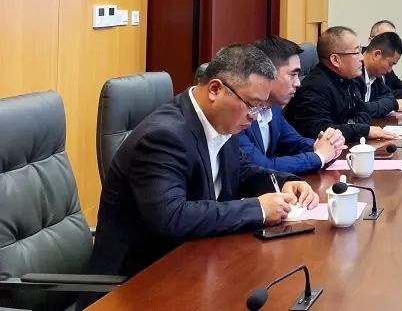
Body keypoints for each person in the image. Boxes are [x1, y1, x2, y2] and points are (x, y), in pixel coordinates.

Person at [89, 44, 318, 277]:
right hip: (142, 277)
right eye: (252, 104)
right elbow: (172, 217)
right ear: (215, 90)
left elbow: (240, 170)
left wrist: (283, 182)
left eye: (261, 106)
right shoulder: (162, 136)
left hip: (200, 257)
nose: (254, 116)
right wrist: (258, 209)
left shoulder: (221, 119)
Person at [236, 36, 346, 174]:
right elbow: (262, 166)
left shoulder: (274, 108)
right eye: (292, 75)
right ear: (265, 74)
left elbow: (294, 142)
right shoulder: (237, 113)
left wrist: (326, 144)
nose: (298, 83)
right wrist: (319, 157)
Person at [285, 26, 402, 141]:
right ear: (335, 60)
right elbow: (322, 132)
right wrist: (362, 130)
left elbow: (363, 112)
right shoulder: (314, 88)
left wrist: (347, 127)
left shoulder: (348, 79)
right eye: (356, 52)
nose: (362, 58)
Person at [367, 19, 402, 101]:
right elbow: (381, 96)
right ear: (371, 41)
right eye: (385, 38)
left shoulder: (385, 63)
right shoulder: (363, 65)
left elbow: (395, 84)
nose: (390, 44)